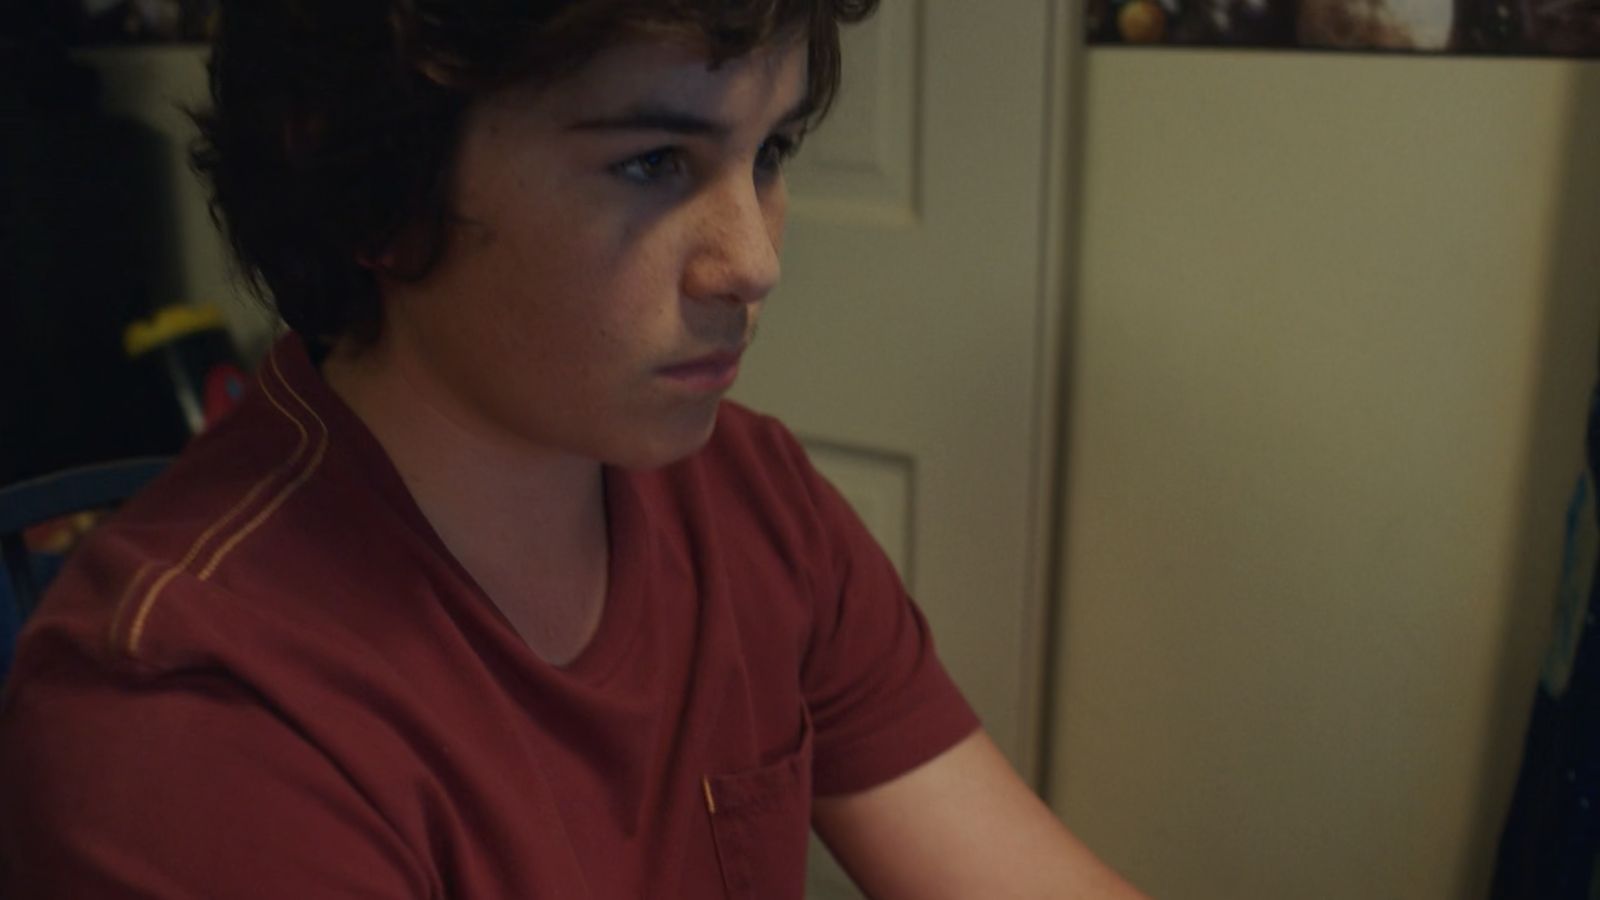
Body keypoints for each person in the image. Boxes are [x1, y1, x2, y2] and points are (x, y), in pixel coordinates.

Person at [0, 2, 1147, 897]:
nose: (753, 261)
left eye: (772, 150)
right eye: (653, 162)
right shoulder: (193, 709)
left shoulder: (753, 500)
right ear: (375, 188)